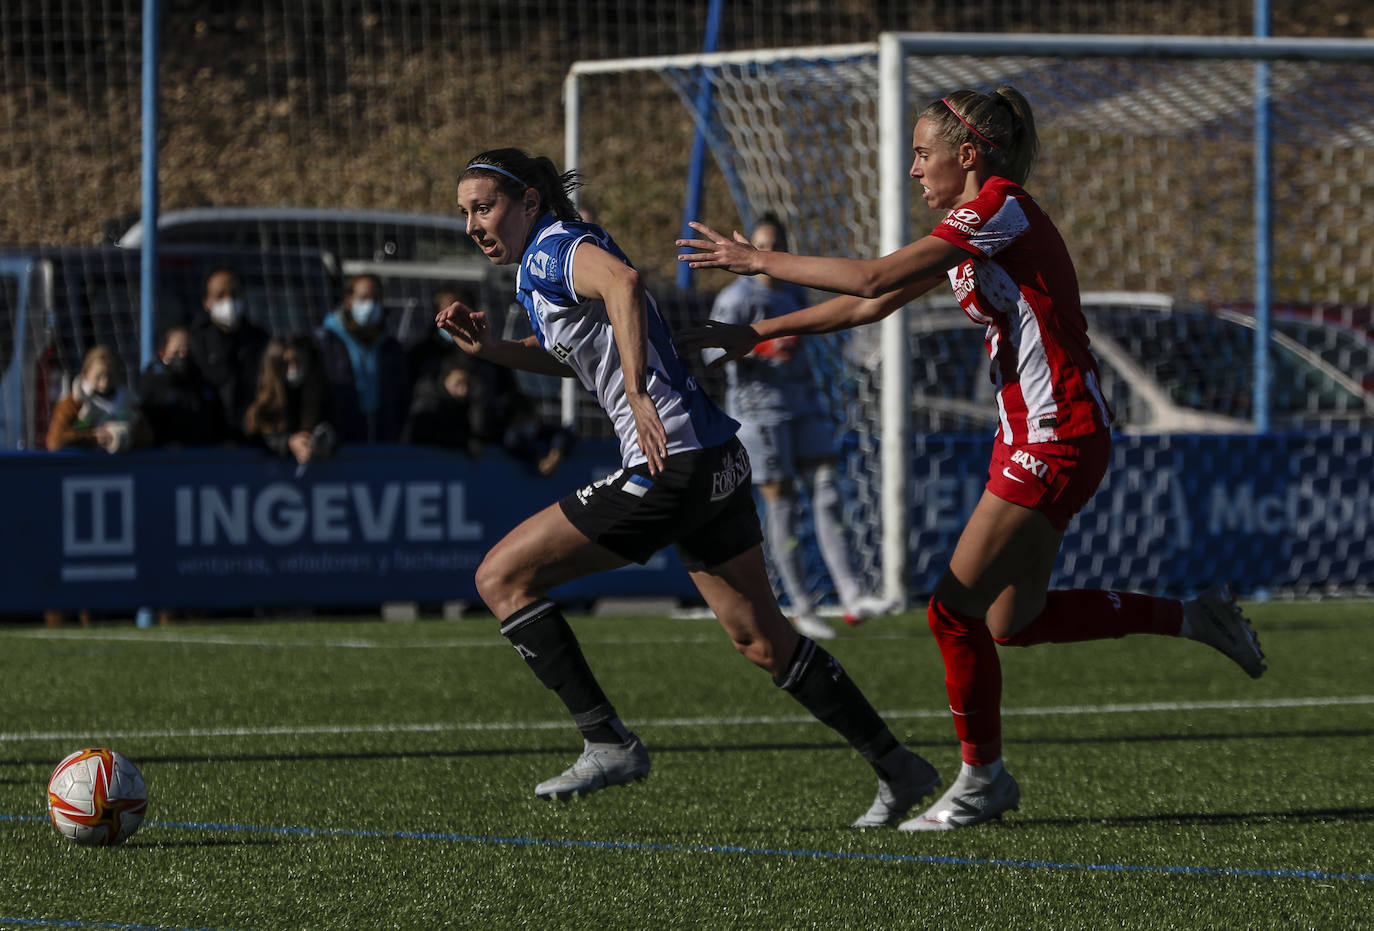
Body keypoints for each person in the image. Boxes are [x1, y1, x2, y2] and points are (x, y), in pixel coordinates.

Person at [676, 86, 1266, 831]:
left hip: (1057, 434)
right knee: (1012, 621)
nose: (914, 170)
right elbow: (868, 307)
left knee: (950, 611)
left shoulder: (999, 208)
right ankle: (1190, 617)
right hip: (1036, 436)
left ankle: (982, 779)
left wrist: (756, 259)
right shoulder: (975, 227)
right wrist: (760, 331)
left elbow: (871, 278)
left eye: (923, 155)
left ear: (968, 154)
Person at [438, 147, 940, 827]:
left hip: (669, 463)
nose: (472, 222)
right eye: (465, 210)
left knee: (500, 576)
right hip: (713, 457)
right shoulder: (545, 263)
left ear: (529, 202)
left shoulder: (553, 248)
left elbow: (624, 283)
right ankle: (897, 764)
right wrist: (492, 349)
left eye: (484, 206)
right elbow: (586, 351)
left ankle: (607, 739)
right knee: (763, 640)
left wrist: (641, 392)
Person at [705, 211, 893, 640]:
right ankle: (800, 604)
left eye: (775, 245)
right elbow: (710, 354)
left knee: (828, 492)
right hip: (760, 413)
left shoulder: (792, 294)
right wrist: (762, 348)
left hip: (802, 405)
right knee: (783, 505)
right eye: (761, 245)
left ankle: (850, 593)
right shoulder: (736, 299)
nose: (768, 253)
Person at [316, 273, 411, 444]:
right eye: (363, 298)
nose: (370, 305)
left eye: (375, 299)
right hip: (339, 444)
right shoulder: (325, 342)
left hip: (383, 441)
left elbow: (401, 396)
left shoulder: (390, 346)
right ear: (348, 300)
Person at [187, 267, 269, 441]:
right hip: (209, 443)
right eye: (220, 295)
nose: (229, 300)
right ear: (206, 303)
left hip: (255, 440)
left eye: (234, 293)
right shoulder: (194, 343)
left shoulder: (260, 341)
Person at [243, 333, 336, 466]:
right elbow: (254, 436)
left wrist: (324, 440)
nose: (293, 368)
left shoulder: (319, 393)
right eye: (286, 363)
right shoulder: (260, 396)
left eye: (297, 361)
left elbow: (335, 426)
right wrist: (288, 442)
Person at [138, 324, 230, 447]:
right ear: (163, 353)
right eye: (176, 351)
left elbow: (218, 422)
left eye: (187, 351)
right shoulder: (151, 385)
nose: (182, 356)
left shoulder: (204, 386)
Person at [47, 345, 149, 453]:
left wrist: (118, 435)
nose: (104, 384)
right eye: (98, 377)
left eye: (110, 376)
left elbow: (147, 436)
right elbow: (55, 441)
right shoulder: (73, 402)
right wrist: (94, 437)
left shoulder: (128, 402)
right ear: (85, 375)